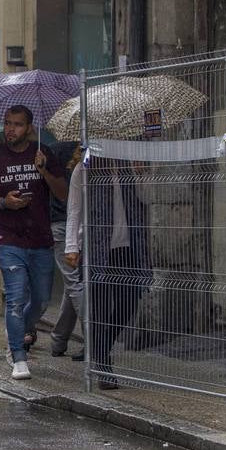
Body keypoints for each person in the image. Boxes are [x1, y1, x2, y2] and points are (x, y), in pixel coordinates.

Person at [0, 105, 68, 381]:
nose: (10, 129)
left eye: (16, 125)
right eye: (7, 123)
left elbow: (62, 193)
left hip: (40, 238)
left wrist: (45, 172)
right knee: (15, 299)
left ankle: (14, 329)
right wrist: (4, 202)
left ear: (29, 128)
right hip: (9, 238)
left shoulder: (43, 153)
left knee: (39, 301)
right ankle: (18, 356)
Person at [64, 156, 152, 389]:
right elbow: (74, 210)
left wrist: (141, 175)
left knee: (128, 303)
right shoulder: (84, 169)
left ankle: (98, 349)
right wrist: (71, 246)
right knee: (100, 309)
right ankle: (103, 366)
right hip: (97, 248)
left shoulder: (128, 164)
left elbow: (146, 198)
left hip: (127, 247)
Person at [47, 142, 86, 361]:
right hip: (67, 223)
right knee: (74, 283)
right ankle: (65, 339)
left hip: (67, 223)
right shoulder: (62, 149)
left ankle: (64, 340)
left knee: (73, 284)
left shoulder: (59, 148)